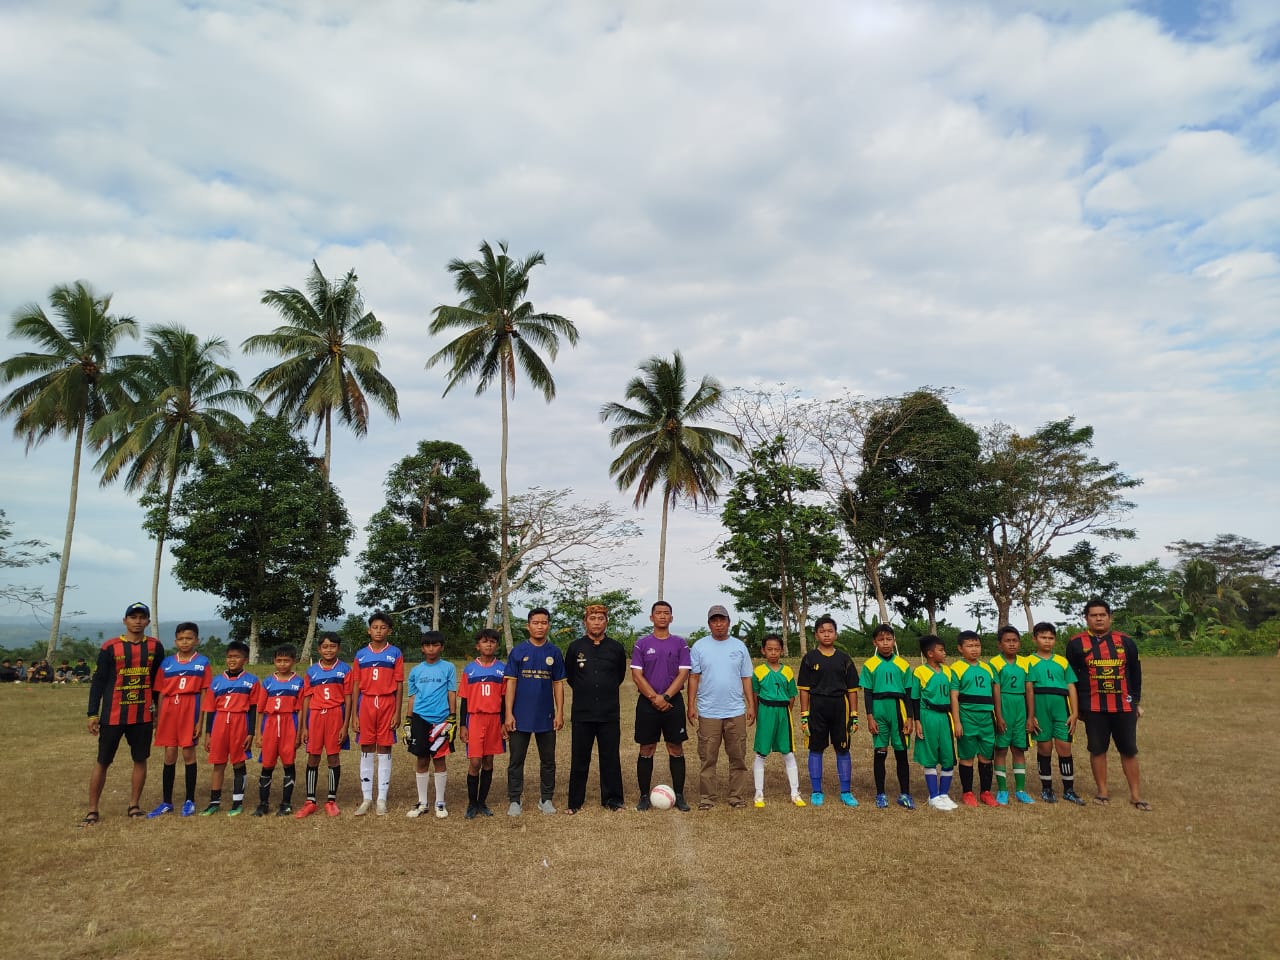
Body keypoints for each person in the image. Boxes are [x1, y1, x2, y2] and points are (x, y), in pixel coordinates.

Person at [82, 601, 165, 826]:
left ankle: (134, 805)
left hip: (142, 716)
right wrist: (92, 713)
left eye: (142, 617)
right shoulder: (110, 647)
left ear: (148, 621)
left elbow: (157, 681)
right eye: (133, 617)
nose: (137, 621)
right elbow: (98, 683)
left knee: (140, 759)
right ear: (125, 620)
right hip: (113, 715)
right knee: (103, 761)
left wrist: (157, 710)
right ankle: (92, 810)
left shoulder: (155, 647)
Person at [1066, 598, 1148, 811]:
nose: (1098, 618)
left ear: (1110, 617)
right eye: (1094, 615)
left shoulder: (1126, 641)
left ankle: (1136, 795)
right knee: (1098, 749)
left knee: (1129, 750)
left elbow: (1135, 673)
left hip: (1123, 707)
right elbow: (1072, 677)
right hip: (1093, 708)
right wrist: (1079, 708)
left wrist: (1135, 702)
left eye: (1102, 614)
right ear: (1086, 618)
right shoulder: (1076, 643)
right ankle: (1102, 791)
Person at [687, 604, 755, 810]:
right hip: (709, 712)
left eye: (722, 620)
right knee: (708, 758)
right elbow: (694, 677)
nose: (719, 624)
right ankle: (707, 798)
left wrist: (751, 705)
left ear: (729, 622)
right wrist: (691, 705)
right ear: (709, 624)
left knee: (738, 757)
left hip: (735, 711)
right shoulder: (699, 646)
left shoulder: (739, 647)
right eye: (714, 621)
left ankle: (737, 797)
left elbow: (746, 678)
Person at [564, 604, 628, 814]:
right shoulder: (575, 647)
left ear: (606, 622)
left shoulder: (616, 648)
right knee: (579, 758)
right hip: (583, 712)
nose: (597, 622)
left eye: (601, 618)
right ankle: (575, 802)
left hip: (609, 712)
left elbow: (619, 676)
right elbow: (572, 678)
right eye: (593, 618)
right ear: (585, 622)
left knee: (610, 757)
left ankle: (613, 800)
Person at [630, 600, 692, 812]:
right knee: (647, 747)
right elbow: (636, 675)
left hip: (673, 702)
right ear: (651, 617)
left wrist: (665, 696)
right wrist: (654, 697)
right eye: (659, 613)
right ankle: (644, 796)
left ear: (671, 618)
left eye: (667, 613)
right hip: (648, 703)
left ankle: (680, 795)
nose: (663, 616)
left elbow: (684, 672)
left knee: (675, 747)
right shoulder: (642, 644)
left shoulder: (680, 643)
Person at [504, 607, 565, 815]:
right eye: (536, 623)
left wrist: (559, 712)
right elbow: (510, 684)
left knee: (548, 760)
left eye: (544, 622)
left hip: (545, 716)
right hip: (520, 715)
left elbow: (558, 684)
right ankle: (514, 800)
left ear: (548, 625)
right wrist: (508, 713)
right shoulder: (518, 651)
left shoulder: (554, 652)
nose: (540, 626)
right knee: (516, 760)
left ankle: (546, 799)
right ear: (528, 626)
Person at [147, 621, 212, 817]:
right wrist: (157, 717)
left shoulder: (202, 662)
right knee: (169, 754)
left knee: (188, 754)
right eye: (181, 639)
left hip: (190, 707)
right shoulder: (167, 663)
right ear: (175, 641)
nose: (185, 642)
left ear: (196, 640)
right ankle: (167, 801)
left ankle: (189, 800)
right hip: (168, 709)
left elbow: (204, 693)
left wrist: (200, 721)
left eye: (189, 638)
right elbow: (159, 692)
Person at [797, 615, 860, 807]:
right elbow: (804, 689)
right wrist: (804, 715)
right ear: (816, 635)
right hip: (817, 707)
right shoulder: (809, 659)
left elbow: (852, 690)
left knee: (843, 749)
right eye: (822, 631)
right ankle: (817, 791)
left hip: (840, 707)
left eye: (830, 631)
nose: (826, 634)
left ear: (836, 634)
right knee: (816, 748)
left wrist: (854, 716)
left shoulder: (844, 659)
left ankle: (846, 791)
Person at [295, 632, 354, 818]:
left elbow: (348, 698)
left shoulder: (344, 669)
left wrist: (345, 726)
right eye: (325, 647)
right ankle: (310, 801)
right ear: (319, 649)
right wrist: (304, 726)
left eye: (333, 646)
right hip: (315, 716)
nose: (329, 650)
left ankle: (331, 800)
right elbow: (306, 698)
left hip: (335, 715)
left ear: (339, 648)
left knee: (333, 757)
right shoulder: (312, 671)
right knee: (313, 757)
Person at [352, 611, 405, 816]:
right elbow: (356, 685)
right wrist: (355, 714)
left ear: (389, 631)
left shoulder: (395, 653)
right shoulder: (360, 654)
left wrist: (397, 712)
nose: (379, 631)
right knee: (366, 746)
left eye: (383, 628)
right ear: (369, 630)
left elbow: (399, 684)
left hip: (386, 702)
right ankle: (367, 797)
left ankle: (382, 797)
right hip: (366, 702)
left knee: (384, 747)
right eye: (375, 627)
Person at [1026, 622, 1085, 806]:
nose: (1047, 641)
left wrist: (1075, 712)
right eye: (1043, 637)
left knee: (1064, 747)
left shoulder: (1062, 661)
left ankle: (1069, 790)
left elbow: (1071, 687)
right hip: (1040, 707)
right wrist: (1031, 714)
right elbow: (1028, 690)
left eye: (1051, 638)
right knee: (1044, 748)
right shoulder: (1028, 661)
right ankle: (1047, 788)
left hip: (1061, 708)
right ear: (1034, 639)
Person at [200, 640, 258, 815]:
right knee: (218, 763)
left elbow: (254, 709)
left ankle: (237, 802)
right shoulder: (217, 681)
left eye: (237, 657)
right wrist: (208, 733)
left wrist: (251, 733)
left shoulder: (252, 681)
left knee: (238, 762)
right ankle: (214, 802)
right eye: (229, 657)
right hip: (219, 722)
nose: (232, 660)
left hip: (240, 722)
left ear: (245, 660)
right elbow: (210, 709)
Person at [859, 623, 914, 809]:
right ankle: (880, 794)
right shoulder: (870, 664)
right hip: (878, 708)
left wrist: (910, 717)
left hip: (898, 710)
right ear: (875, 642)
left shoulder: (903, 664)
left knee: (901, 754)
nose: (885, 643)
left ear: (894, 641)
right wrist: (869, 717)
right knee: (880, 752)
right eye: (881, 640)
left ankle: (905, 794)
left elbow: (908, 693)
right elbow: (867, 693)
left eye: (888, 639)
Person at [404, 631, 458, 819]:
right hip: (420, 718)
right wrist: (408, 720)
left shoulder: (449, 667)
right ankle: (422, 802)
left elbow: (452, 693)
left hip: (441, 720)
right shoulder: (416, 670)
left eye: (435, 645)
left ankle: (440, 803)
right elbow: (412, 696)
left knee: (439, 759)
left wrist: (452, 718)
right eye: (427, 645)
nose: (431, 649)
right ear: (422, 648)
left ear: (441, 647)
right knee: (421, 759)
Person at [951, 630, 1003, 807]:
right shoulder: (956, 668)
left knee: (986, 756)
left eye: (977, 645)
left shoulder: (988, 668)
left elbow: (995, 693)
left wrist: (999, 716)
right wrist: (957, 721)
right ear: (960, 648)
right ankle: (967, 792)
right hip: (967, 717)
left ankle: (986, 792)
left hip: (987, 718)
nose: (974, 649)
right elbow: (954, 697)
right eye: (969, 646)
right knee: (966, 756)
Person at [751, 634, 804, 808]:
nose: (773, 653)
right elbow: (755, 694)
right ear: (763, 651)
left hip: (783, 713)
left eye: (777, 649)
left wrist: (786, 712)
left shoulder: (787, 670)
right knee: (761, 753)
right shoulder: (759, 671)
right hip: (765, 712)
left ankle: (795, 793)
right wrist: (759, 715)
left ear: (782, 651)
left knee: (788, 752)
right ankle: (759, 794)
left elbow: (792, 695)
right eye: (769, 649)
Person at [459, 628, 507, 818]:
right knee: (475, 762)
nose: (489, 645)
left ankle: (482, 802)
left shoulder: (502, 669)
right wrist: (463, 724)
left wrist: (504, 722)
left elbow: (504, 699)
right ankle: (472, 803)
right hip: (475, 718)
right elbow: (464, 699)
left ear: (497, 645)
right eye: (485, 641)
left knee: (488, 760)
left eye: (492, 642)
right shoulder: (470, 669)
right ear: (477, 645)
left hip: (494, 718)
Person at [252, 644, 304, 817]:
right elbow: (260, 710)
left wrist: (299, 733)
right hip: (271, 724)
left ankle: (286, 803)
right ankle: (263, 803)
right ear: (274, 661)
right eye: (279, 660)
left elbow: (301, 710)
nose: (282, 664)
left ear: (293, 661)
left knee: (288, 763)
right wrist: (259, 734)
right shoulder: (267, 682)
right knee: (267, 764)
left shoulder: (299, 682)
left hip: (290, 723)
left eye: (286, 660)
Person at [909, 634, 959, 811]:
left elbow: (954, 697)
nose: (944, 653)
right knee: (929, 756)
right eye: (941, 650)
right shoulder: (920, 672)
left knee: (948, 756)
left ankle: (944, 794)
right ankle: (934, 795)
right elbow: (914, 698)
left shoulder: (948, 671)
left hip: (944, 717)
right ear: (930, 653)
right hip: (927, 715)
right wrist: (917, 721)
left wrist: (956, 720)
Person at [990, 625, 1035, 805]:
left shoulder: (1025, 663)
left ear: (1020, 643)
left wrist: (1030, 716)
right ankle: (1002, 790)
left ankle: (1020, 790)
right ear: (1000, 645)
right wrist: (999, 716)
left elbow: (1030, 690)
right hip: (1004, 706)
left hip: (1020, 708)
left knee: (1018, 749)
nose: (1011, 644)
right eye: (1007, 641)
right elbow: (996, 690)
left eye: (1015, 641)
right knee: (1000, 749)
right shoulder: (995, 663)